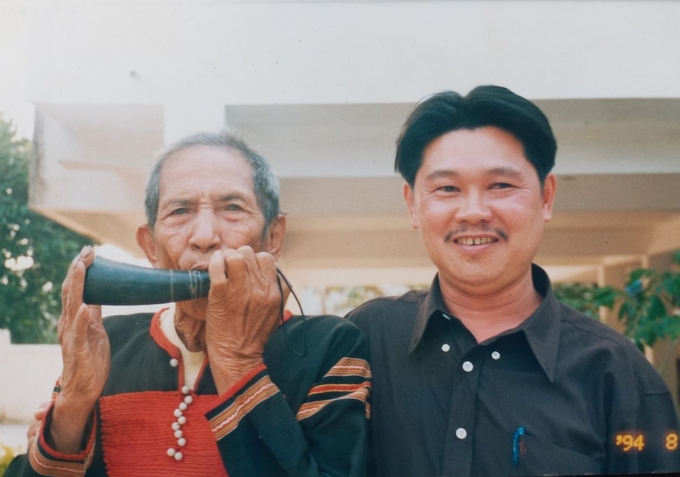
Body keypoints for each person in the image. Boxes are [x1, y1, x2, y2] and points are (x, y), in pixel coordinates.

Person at [347, 85, 680, 476]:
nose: (473, 212)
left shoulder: (617, 372)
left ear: (547, 197)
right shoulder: (366, 339)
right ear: (412, 204)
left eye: (501, 185)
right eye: (447, 188)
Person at [7, 131, 371, 477]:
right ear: (150, 245)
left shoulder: (328, 347)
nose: (204, 237)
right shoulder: (109, 342)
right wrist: (73, 403)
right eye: (180, 211)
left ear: (273, 237)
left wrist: (237, 361)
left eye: (232, 207)